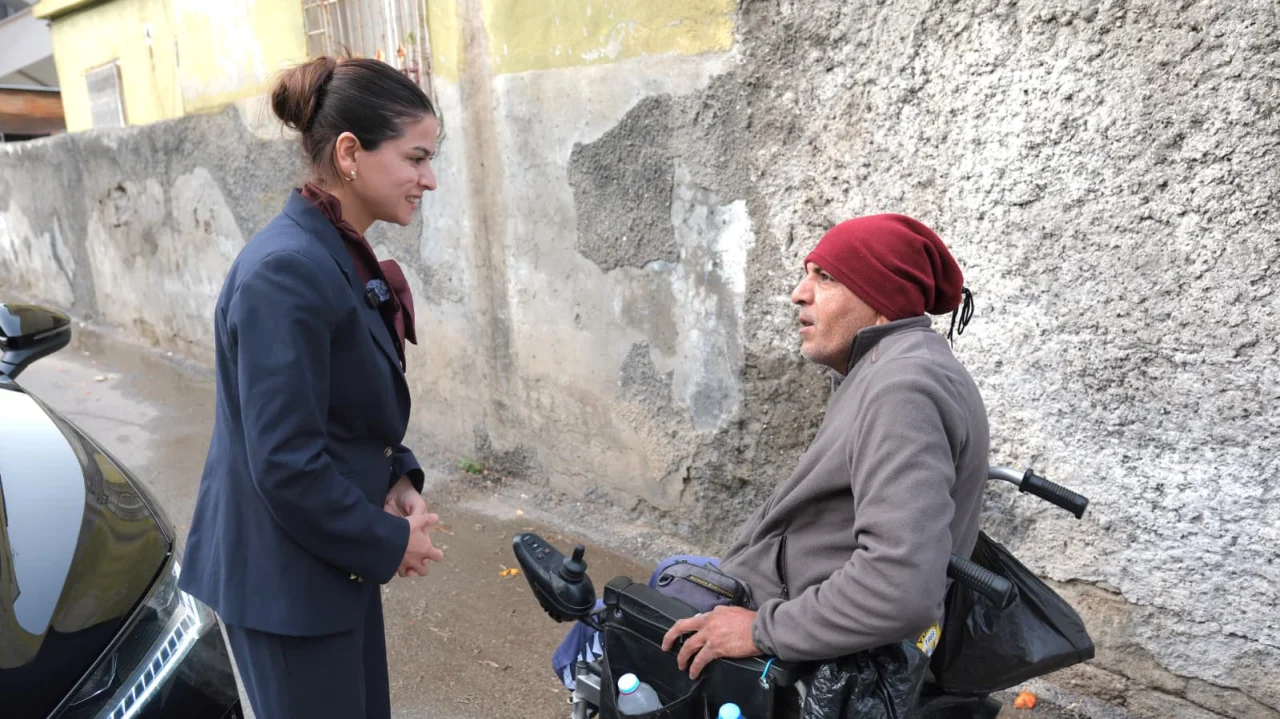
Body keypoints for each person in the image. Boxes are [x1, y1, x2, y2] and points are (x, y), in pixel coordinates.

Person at [553, 213, 988, 686]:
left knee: (607, 628)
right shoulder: (896, 368)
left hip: (798, 642)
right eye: (807, 274)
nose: (800, 293)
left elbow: (900, 586)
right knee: (659, 580)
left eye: (826, 277)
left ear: (881, 296)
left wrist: (761, 630)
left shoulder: (902, 389)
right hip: (780, 595)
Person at [178, 55, 445, 719]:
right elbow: (286, 463)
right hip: (283, 586)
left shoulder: (331, 247)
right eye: (415, 158)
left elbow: (342, 417)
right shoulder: (287, 270)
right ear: (350, 153)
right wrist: (389, 542)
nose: (428, 179)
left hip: (325, 566)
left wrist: (397, 481)